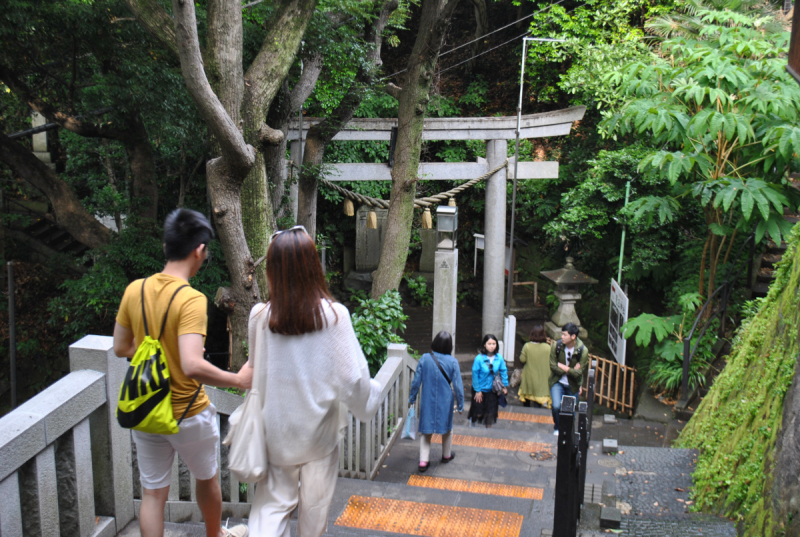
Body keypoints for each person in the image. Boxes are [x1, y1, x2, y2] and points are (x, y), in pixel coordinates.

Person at [113, 209, 253, 537]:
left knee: (152, 494)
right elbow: (191, 365)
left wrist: (160, 354)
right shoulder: (190, 299)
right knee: (207, 479)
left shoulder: (135, 290)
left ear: (166, 246)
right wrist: (237, 379)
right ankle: (215, 535)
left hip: (147, 409)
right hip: (188, 412)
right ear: (199, 250)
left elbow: (122, 347)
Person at [247, 226, 381, 537]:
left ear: (272, 270)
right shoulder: (334, 316)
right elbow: (352, 379)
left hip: (276, 435)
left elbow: (256, 371)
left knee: (269, 510)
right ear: (313, 267)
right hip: (319, 436)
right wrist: (369, 402)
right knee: (314, 515)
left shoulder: (259, 317)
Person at [408, 331, 465, 473]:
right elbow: (458, 385)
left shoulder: (425, 358)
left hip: (428, 399)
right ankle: (446, 455)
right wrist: (461, 404)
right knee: (447, 428)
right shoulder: (453, 362)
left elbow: (416, 381)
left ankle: (423, 461)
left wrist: (412, 398)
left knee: (426, 431)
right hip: (446, 400)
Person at [549, 322, 589, 436]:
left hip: (572, 385)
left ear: (573, 336)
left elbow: (579, 374)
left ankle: (569, 433)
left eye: (564, 335)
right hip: (557, 381)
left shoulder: (583, 351)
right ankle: (558, 427)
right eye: (562, 334)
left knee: (571, 411)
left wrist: (563, 367)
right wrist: (571, 370)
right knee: (556, 406)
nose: (562, 337)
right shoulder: (557, 346)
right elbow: (552, 366)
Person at [467, 334, 508, 428]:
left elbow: (503, 371)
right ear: (484, 345)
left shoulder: (499, 358)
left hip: (492, 391)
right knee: (478, 412)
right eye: (489, 343)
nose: (492, 346)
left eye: (494, 343)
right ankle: (473, 422)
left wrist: (504, 386)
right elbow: (475, 374)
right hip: (480, 389)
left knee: (490, 414)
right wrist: (477, 390)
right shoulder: (479, 358)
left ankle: (487, 433)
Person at [518, 325, 552, 409]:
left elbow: (522, 359)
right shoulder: (547, 348)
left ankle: (526, 415)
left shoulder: (527, 346)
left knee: (527, 398)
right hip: (542, 378)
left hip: (529, 377)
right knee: (538, 400)